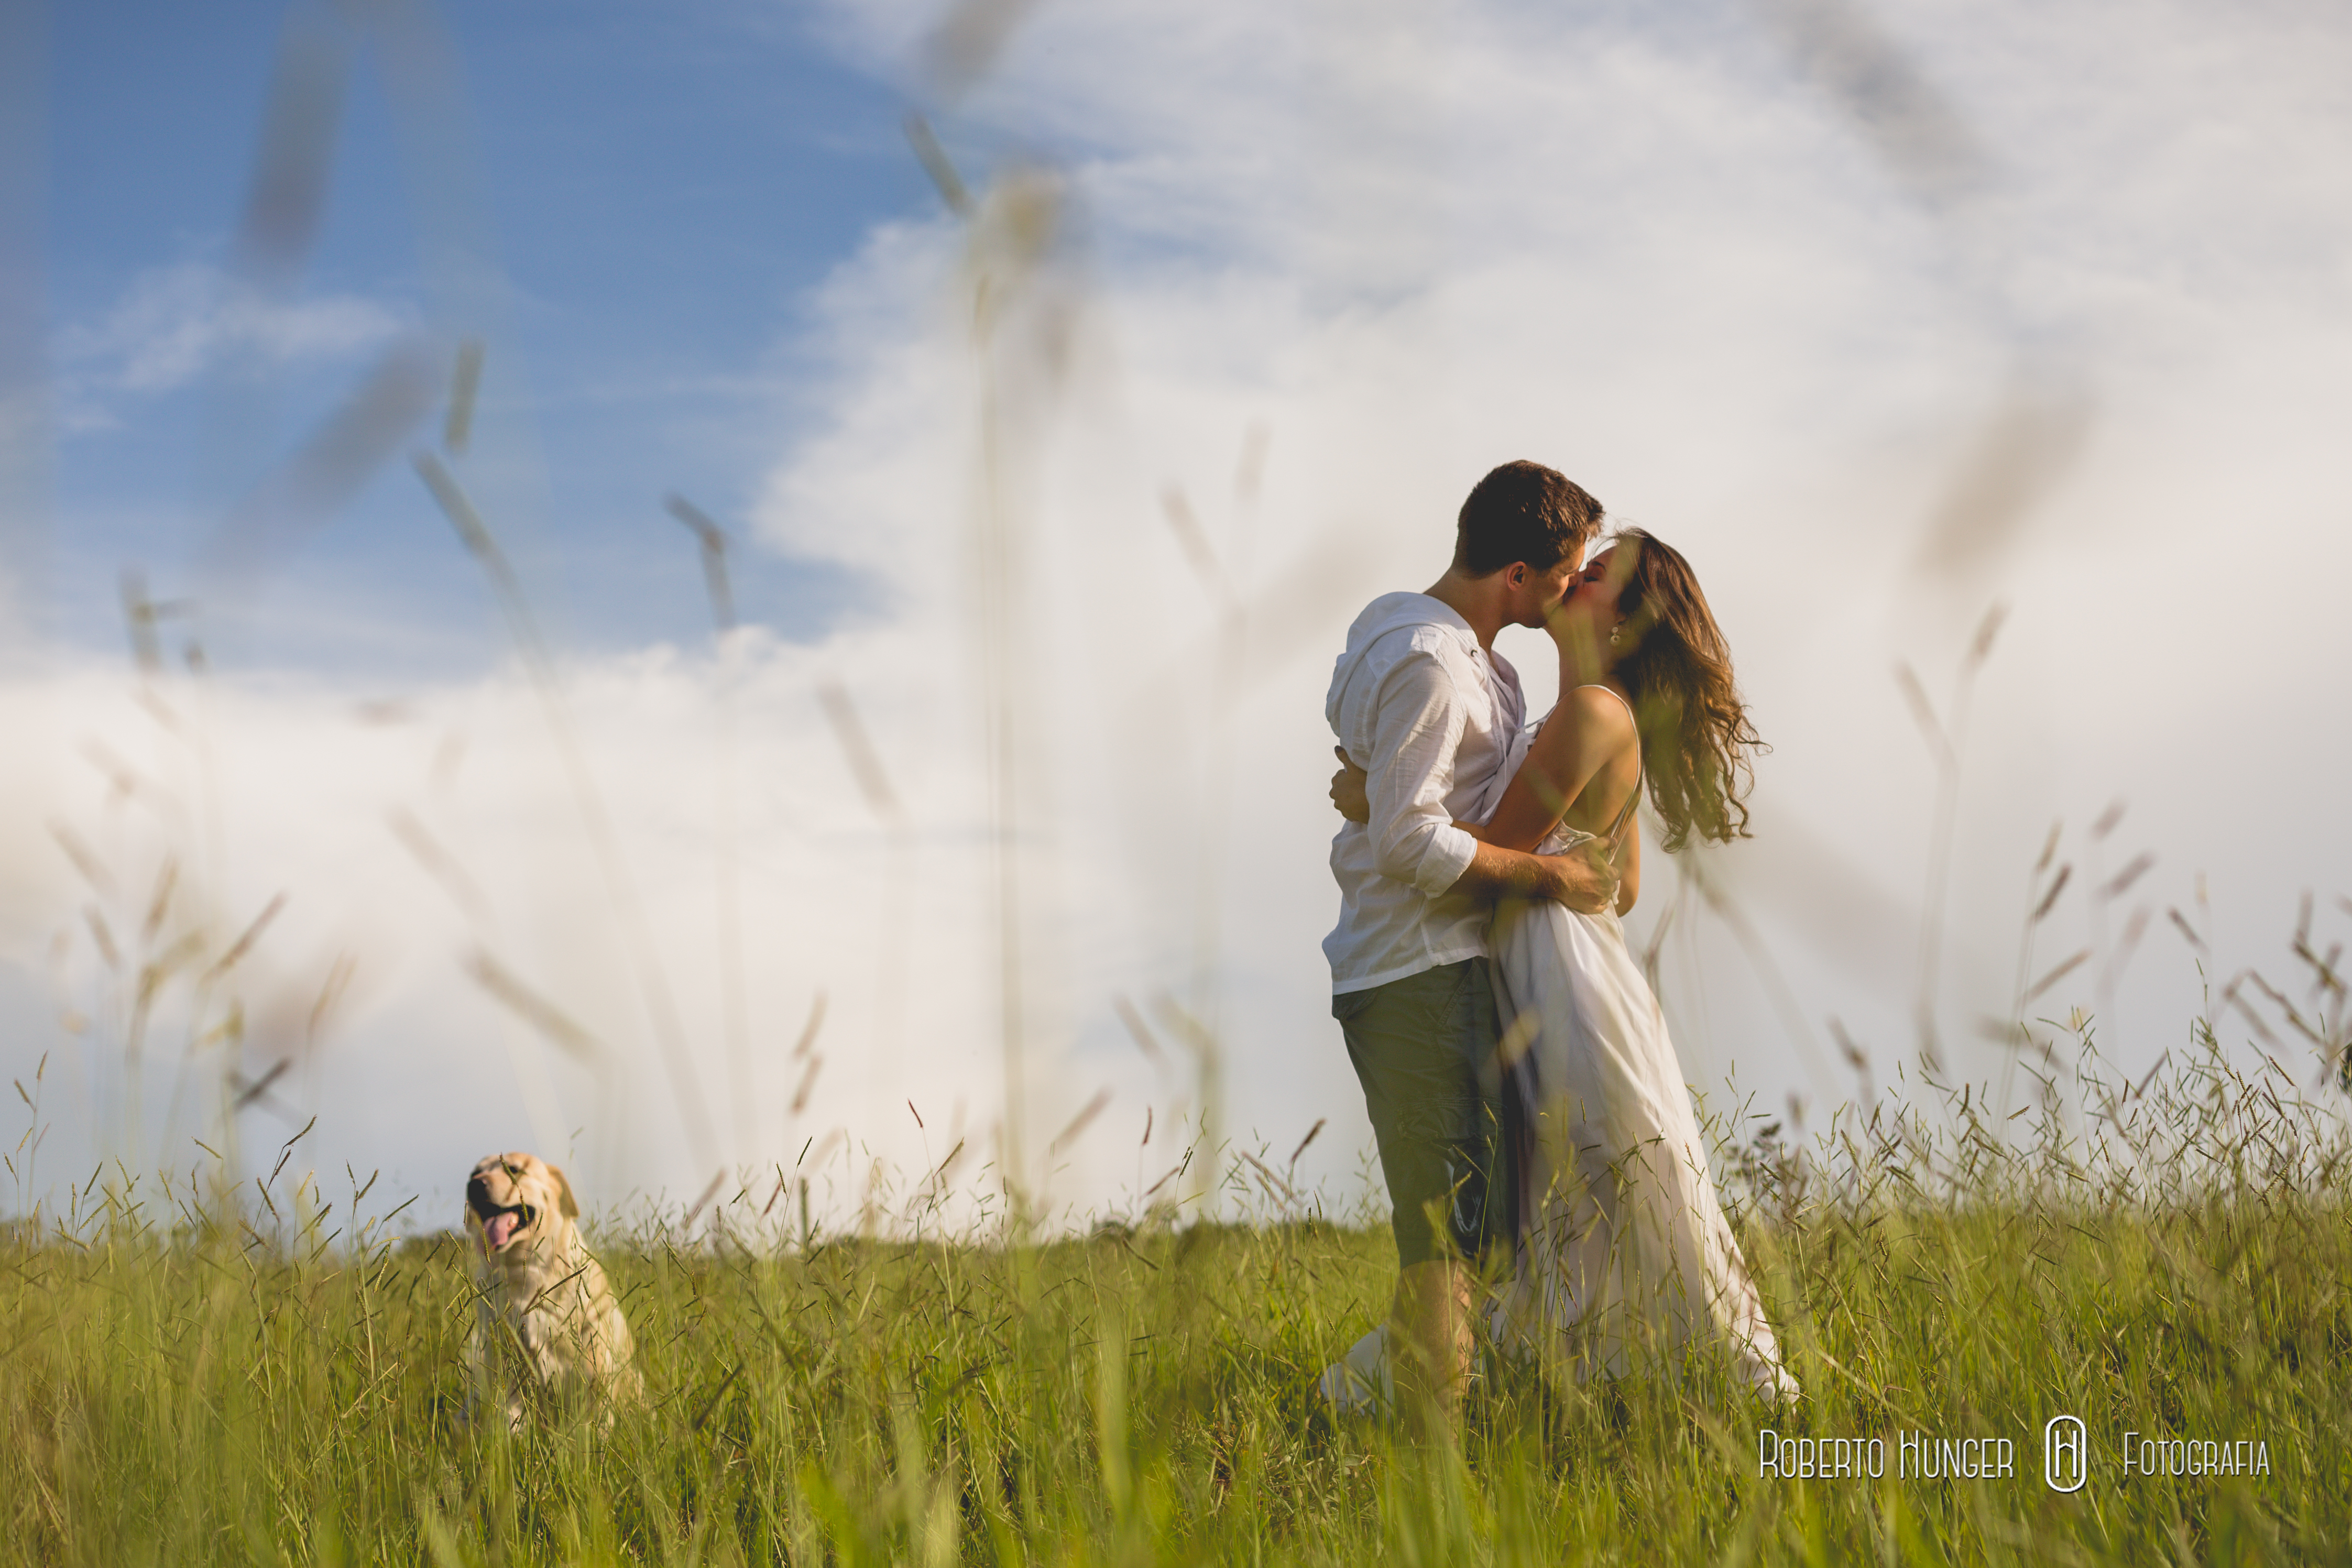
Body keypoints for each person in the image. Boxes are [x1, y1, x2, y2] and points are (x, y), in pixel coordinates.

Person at [1330, 528, 1800, 1402]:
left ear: (1622, 625)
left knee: (1588, 1175)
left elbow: (1495, 850)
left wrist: (1377, 798)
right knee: (1586, 1182)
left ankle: (1686, 1382)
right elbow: (1617, 885)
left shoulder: (1589, 713)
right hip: (1568, 955)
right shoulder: (1589, 711)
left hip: (1557, 971)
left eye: (1593, 576)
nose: (1569, 578)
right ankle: (1604, 1380)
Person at [1319, 460, 1622, 1430]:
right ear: (1519, 575)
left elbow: (1398, 790)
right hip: (1413, 974)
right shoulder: (1430, 663)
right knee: (1444, 1255)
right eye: (1568, 572)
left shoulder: (1451, 651)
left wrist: (1371, 788)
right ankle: (1431, 1478)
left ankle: (1367, 1420)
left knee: (1473, 1246)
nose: (1573, 588)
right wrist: (1551, 877)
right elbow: (1410, 841)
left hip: (1435, 968)